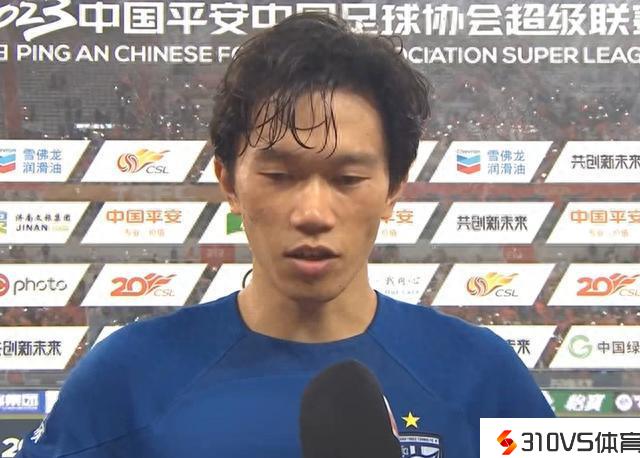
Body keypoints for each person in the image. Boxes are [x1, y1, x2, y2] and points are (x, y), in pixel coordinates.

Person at [18, 12, 553, 458]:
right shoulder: (125, 380)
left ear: (393, 189)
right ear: (229, 181)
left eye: (348, 179)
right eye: (279, 175)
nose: (312, 213)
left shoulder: (482, 377)